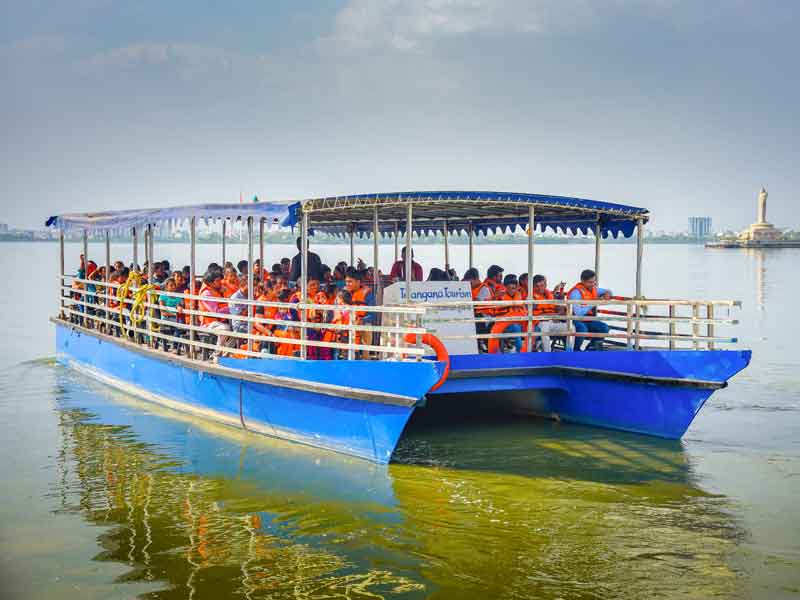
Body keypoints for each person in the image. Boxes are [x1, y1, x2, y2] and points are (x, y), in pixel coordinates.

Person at [567, 269, 611, 351]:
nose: (593, 284)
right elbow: (578, 313)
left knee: (604, 327)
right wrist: (594, 302)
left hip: (588, 319)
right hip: (575, 320)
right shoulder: (576, 293)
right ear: (583, 281)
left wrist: (608, 293)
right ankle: (575, 350)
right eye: (590, 282)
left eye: (594, 281)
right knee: (582, 329)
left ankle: (591, 348)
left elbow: (608, 291)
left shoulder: (594, 289)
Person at [198, 269, 233, 358]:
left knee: (237, 330)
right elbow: (216, 311)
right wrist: (231, 308)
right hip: (208, 323)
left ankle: (226, 354)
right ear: (210, 282)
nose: (220, 282)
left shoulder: (218, 290)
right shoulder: (206, 294)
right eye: (217, 281)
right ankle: (217, 353)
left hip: (222, 320)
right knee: (225, 329)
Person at [531, 275, 566, 352]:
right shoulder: (531, 297)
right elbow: (534, 315)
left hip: (554, 321)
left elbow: (556, 305)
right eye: (537, 286)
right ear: (533, 286)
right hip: (541, 322)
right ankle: (547, 353)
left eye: (542, 285)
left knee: (571, 327)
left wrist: (560, 311)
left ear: (546, 285)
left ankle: (569, 352)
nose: (540, 288)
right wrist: (554, 316)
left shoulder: (549, 294)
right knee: (544, 329)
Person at [344, 269, 375, 353]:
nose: (347, 284)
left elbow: (372, 313)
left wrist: (362, 320)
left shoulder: (368, 294)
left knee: (367, 327)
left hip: (363, 324)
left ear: (358, 282)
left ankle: (365, 356)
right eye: (346, 282)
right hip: (347, 325)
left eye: (350, 282)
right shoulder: (343, 293)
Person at [495, 274, 526, 352]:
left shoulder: (519, 296)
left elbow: (524, 311)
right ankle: (521, 353)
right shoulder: (499, 297)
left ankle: (533, 352)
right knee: (516, 328)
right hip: (504, 324)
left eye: (514, 288)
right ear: (505, 288)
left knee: (535, 328)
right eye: (509, 288)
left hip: (519, 322)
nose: (512, 290)